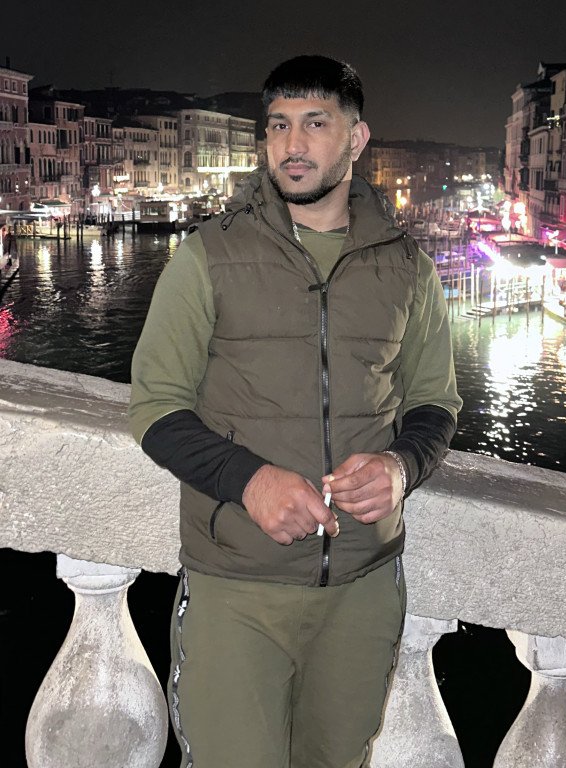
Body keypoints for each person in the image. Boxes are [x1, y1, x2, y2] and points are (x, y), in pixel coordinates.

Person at [129, 54, 462, 768]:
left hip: (364, 586)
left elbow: (435, 402)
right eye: (278, 125)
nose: (292, 144)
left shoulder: (409, 269)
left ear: (356, 138)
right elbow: (155, 408)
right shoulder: (206, 257)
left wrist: (400, 468)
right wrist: (250, 480)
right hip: (236, 587)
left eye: (315, 123)